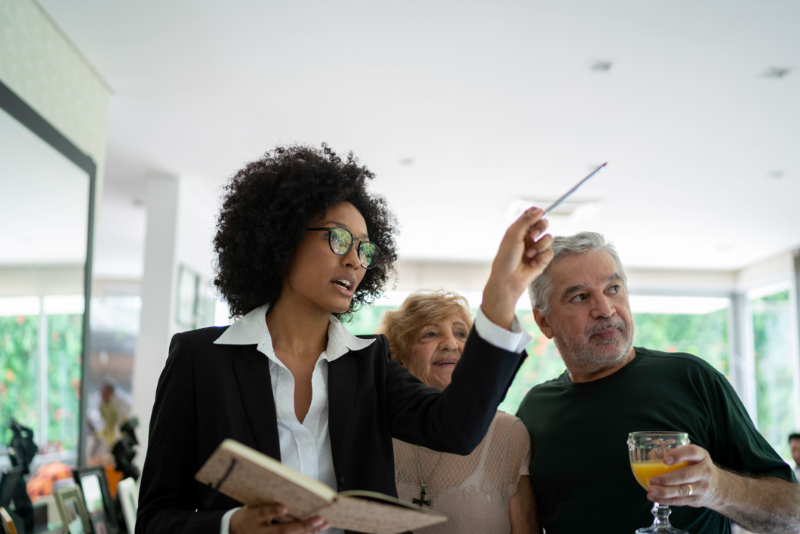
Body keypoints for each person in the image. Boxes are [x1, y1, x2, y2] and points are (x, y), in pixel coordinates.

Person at [136, 144, 554, 534]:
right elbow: (155, 517)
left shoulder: (369, 363)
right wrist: (232, 524)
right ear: (283, 237)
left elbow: (457, 429)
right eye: (338, 239)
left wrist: (500, 297)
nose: (355, 260)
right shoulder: (199, 360)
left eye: (365, 250)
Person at [515, 231, 800, 534]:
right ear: (544, 321)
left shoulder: (692, 378)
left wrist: (718, 488)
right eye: (581, 296)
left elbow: (793, 513)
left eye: (613, 289)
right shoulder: (534, 410)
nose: (605, 309)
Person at [377, 291, 538, 534]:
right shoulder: (373, 430)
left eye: (461, 333)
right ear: (398, 359)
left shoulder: (509, 432)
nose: (451, 344)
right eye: (430, 334)